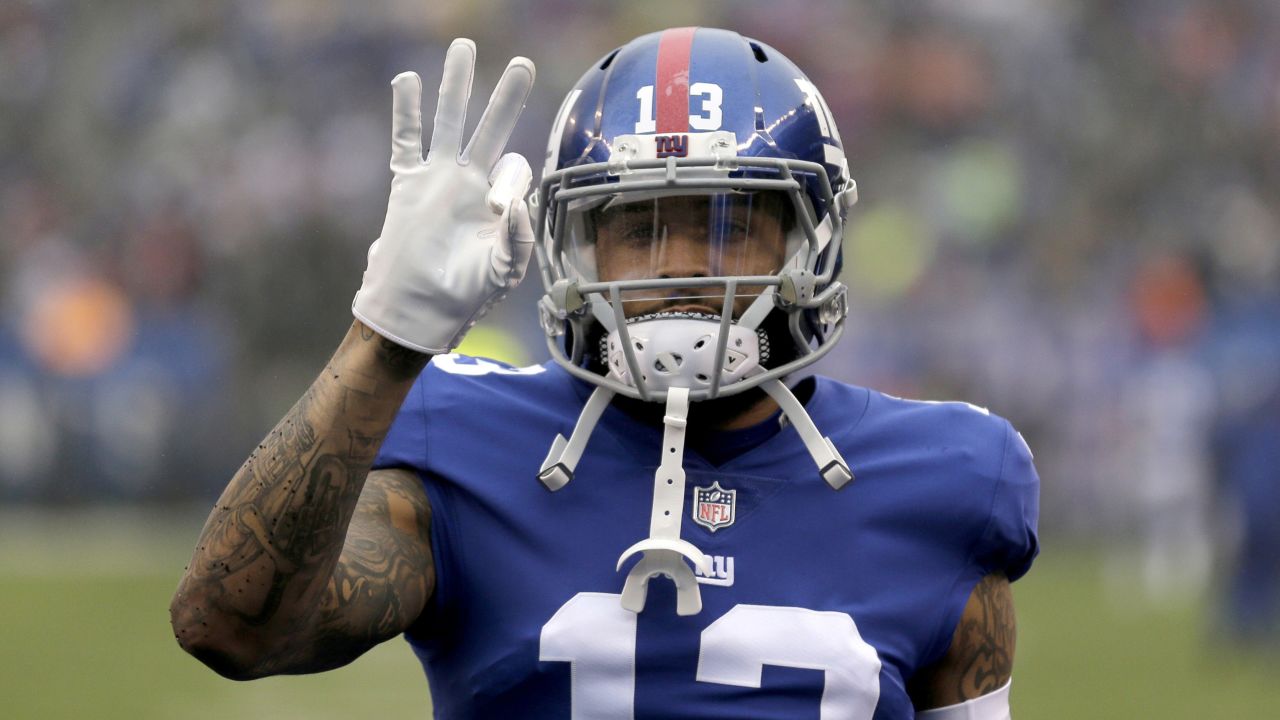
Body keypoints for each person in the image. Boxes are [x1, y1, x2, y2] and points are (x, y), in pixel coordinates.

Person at [171, 28, 1039, 719]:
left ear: (806, 242)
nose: (684, 265)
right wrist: (385, 339)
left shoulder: (946, 480)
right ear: (574, 246)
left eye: (729, 224)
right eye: (639, 227)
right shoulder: (464, 439)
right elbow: (231, 629)